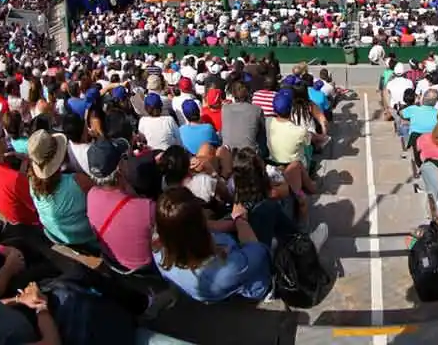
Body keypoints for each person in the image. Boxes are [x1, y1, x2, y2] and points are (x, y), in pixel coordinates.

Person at [153, 186, 272, 303]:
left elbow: (189, 227)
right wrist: (241, 220)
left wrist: (233, 222)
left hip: (214, 287)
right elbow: (258, 250)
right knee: (267, 209)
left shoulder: (158, 254)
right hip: (247, 282)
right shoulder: (228, 267)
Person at [86, 139, 156, 272]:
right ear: (120, 168)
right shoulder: (147, 208)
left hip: (114, 263)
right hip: (148, 270)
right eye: (124, 158)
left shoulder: (91, 195)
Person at [27, 130, 97, 249]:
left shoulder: (32, 184)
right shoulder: (78, 181)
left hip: (61, 237)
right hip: (87, 236)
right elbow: (101, 195)